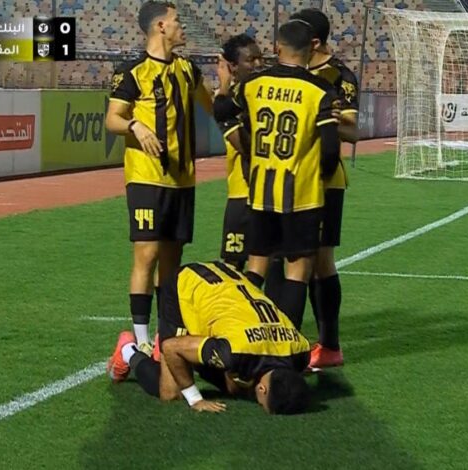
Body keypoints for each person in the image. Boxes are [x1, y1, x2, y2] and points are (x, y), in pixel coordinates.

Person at [214, 20, 341, 330]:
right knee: (297, 270)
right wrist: (320, 179)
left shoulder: (253, 84)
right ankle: (286, 343)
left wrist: (223, 87)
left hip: (260, 191)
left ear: (277, 48)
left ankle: (243, 330)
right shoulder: (320, 90)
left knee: (256, 264)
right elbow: (330, 150)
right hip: (302, 196)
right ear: (309, 50)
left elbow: (223, 112)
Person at [106, 1, 213, 347]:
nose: (183, 26)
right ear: (160, 27)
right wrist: (135, 126)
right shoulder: (133, 71)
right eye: (177, 20)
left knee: (172, 257)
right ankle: (140, 337)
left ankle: (165, 333)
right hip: (147, 176)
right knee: (147, 253)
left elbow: (213, 105)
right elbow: (112, 119)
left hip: (183, 179)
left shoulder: (188, 69)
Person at [106, 261, 311, 414]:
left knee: (235, 385)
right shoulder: (233, 352)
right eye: (261, 402)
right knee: (171, 392)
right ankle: (128, 351)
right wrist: (195, 398)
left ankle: (193, 354)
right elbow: (171, 347)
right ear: (262, 388)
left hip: (227, 281)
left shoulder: (301, 351)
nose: (258, 401)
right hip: (186, 286)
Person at [289, 8, 360, 369]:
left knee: (320, 261)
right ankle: (288, 338)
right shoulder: (291, 70)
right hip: (287, 179)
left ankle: (329, 345)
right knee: (285, 259)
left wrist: (327, 121)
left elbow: (352, 130)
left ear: (314, 41)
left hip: (324, 180)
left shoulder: (339, 77)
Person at [215, 34, 264, 270]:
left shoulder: (266, 92)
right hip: (242, 194)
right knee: (234, 266)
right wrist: (224, 86)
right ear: (232, 66)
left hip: (267, 192)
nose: (258, 64)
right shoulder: (229, 100)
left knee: (271, 263)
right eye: (251, 60)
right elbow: (244, 148)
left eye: (260, 58)